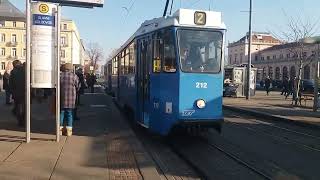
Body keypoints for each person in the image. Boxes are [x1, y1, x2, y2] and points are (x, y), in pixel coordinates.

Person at [60, 63, 79, 136]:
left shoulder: (60, 76)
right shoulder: (74, 76)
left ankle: (60, 131)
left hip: (61, 98)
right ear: (71, 69)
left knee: (61, 114)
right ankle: (69, 132)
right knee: (70, 114)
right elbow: (78, 86)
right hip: (71, 99)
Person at [9, 60, 25, 127]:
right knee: (24, 107)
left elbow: (11, 83)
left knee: (18, 107)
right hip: (24, 93)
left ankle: (20, 121)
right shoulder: (25, 71)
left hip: (16, 94)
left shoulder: (13, 72)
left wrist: (12, 92)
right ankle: (23, 120)